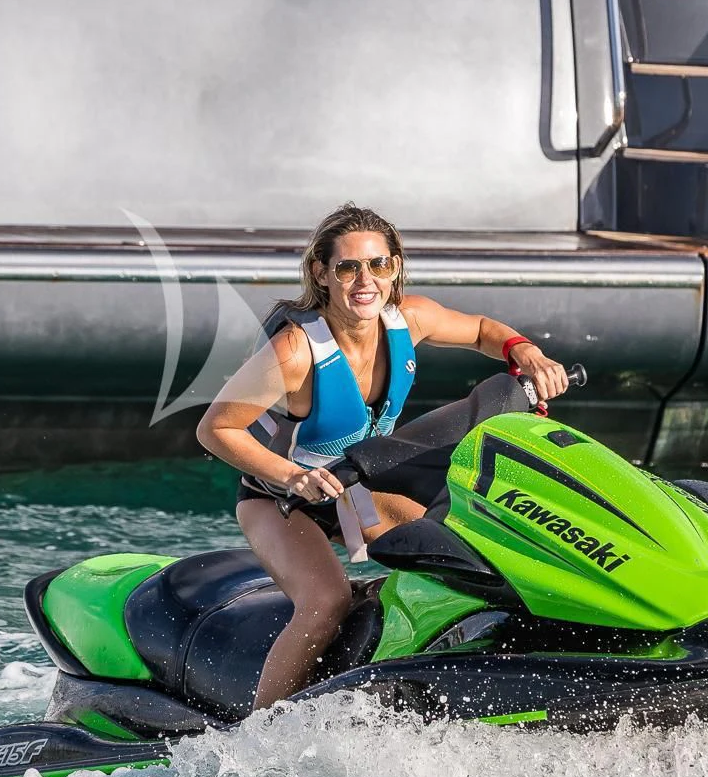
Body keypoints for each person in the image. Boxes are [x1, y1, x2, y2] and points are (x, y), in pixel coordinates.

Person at [197, 203, 569, 710]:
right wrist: (294, 477)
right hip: (278, 501)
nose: (364, 280)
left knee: (464, 559)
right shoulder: (295, 351)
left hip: (357, 486)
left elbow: (483, 329)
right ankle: (257, 735)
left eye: (378, 265)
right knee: (325, 604)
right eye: (348, 267)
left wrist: (526, 353)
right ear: (321, 274)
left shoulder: (409, 318)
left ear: (394, 268)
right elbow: (215, 428)